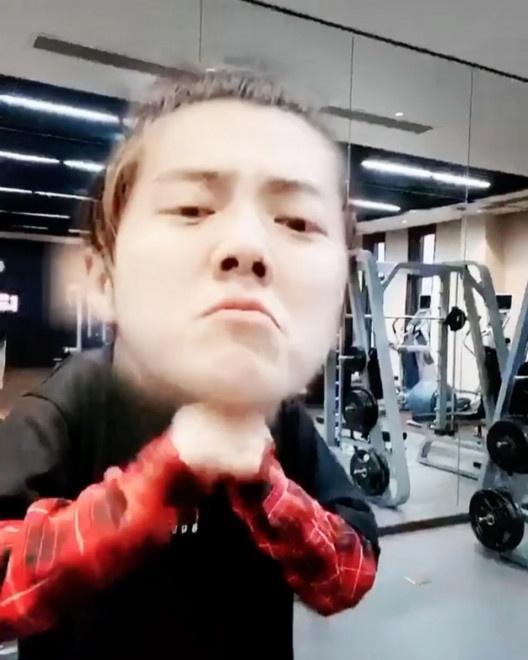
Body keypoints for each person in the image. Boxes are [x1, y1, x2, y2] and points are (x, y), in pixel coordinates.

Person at [0, 68, 379, 660]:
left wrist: (266, 486)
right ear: (106, 277)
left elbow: (347, 576)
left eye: (295, 222)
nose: (249, 246)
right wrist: (152, 489)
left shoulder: (277, 417)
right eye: (191, 208)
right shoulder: (65, 407)